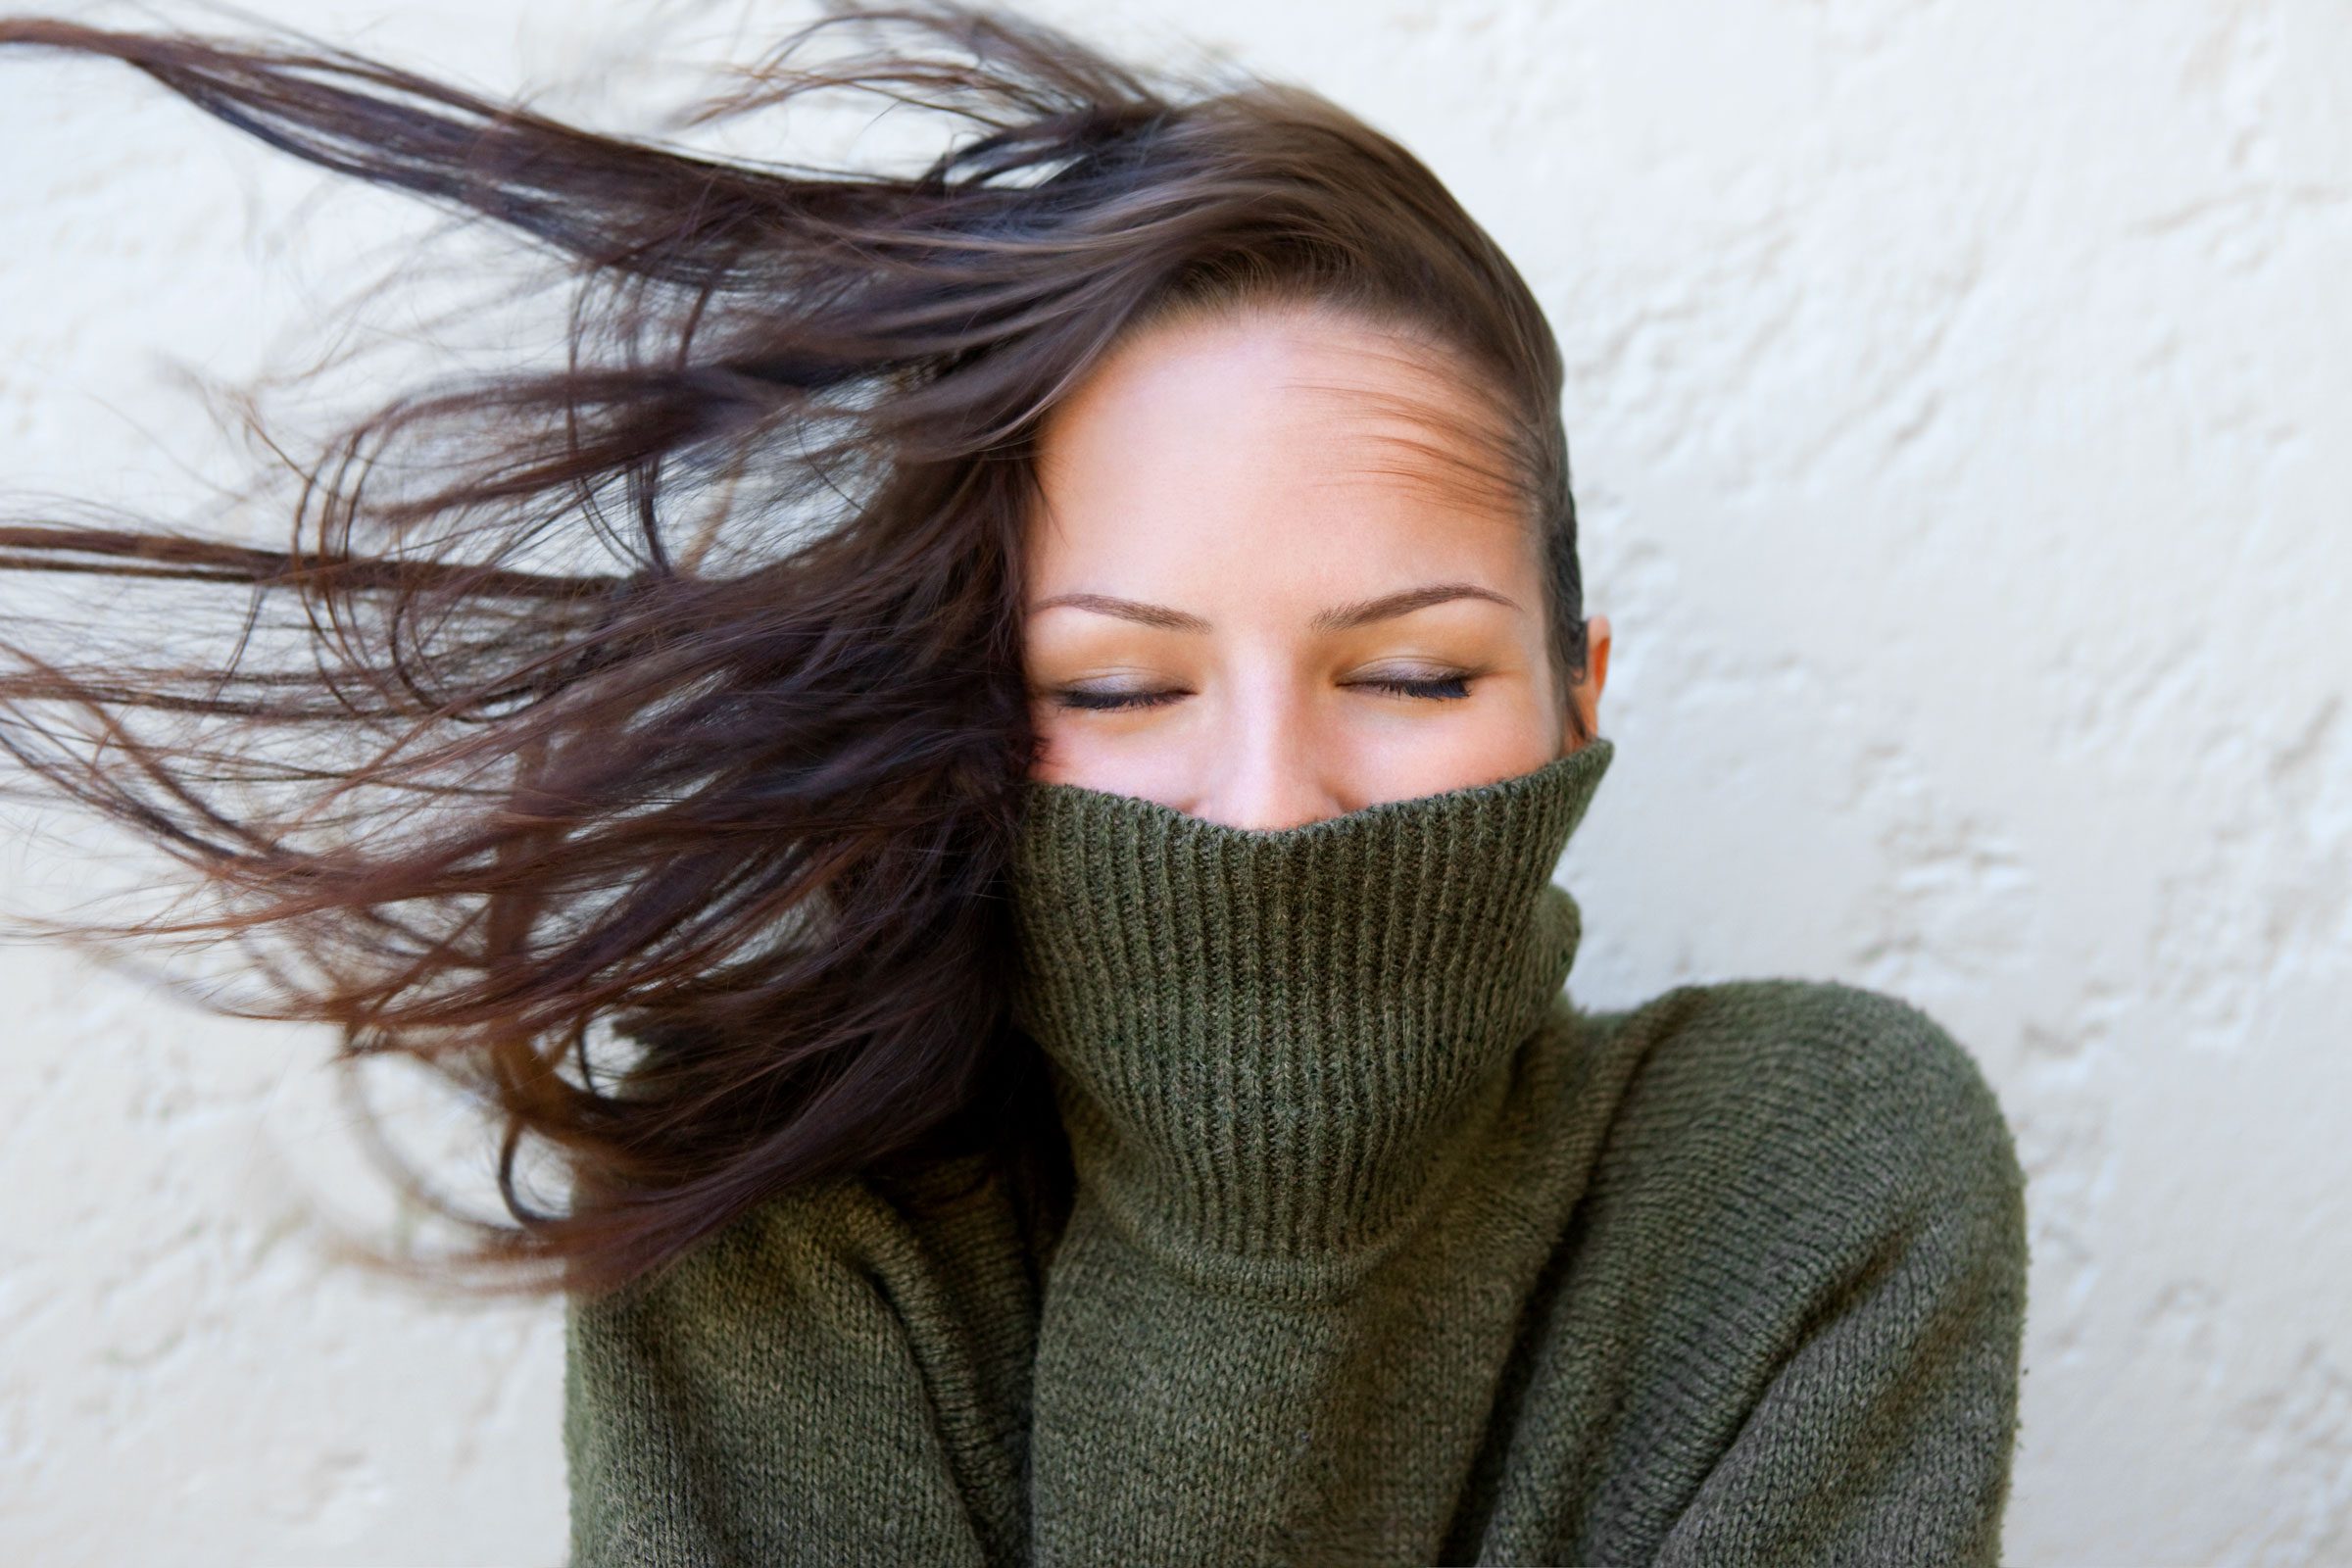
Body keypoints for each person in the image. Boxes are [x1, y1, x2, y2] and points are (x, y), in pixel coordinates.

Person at [0, 3, 2029, 1563]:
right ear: (966, 704)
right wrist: (1236, 1209)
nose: (1268, 804)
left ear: (1576, 700)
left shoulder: (1810, 1169)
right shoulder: (782, 1232)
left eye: (1411, 672)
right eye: (1122, 687)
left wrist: (1265, 1197)